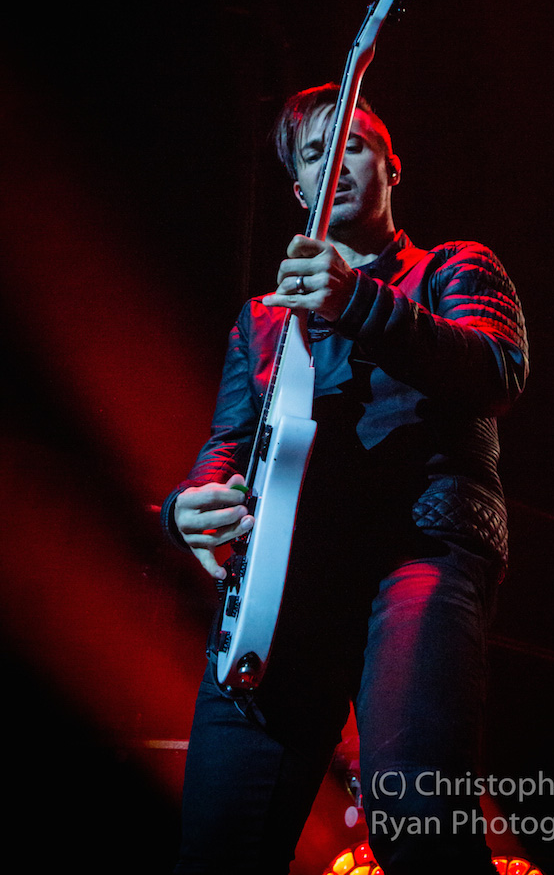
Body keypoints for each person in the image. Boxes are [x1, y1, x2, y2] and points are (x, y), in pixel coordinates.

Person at [161, 83, 529, 874]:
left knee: (416, 817)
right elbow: (231, 441)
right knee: (221, 839)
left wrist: (356, 298)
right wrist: (186, 506)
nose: (337, 163)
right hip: (286, 583)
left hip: (418, 550)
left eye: (354, 145)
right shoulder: (263, 319)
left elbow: (496, 370)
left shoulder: (453, 267)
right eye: (315, 153)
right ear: (301, 191)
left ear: (393, 168)